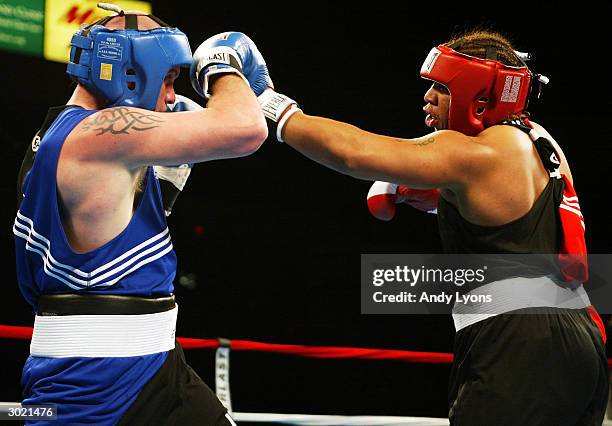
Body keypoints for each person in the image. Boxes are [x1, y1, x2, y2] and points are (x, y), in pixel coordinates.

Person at [204, 29, 609, 424]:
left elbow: (352, 153)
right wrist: (439, 200)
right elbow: (518, 221)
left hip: (521, 342)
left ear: (478, 96)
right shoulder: (540, 143)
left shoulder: (474, 151)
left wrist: (272, 105)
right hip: (580, 339)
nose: (428, 97)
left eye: (442, 88)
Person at [13, 4, 268, 425]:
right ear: (130, 72)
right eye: (168, 79)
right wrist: (223, 65)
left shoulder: (60, 133)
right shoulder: (97, 135)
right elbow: (246, 129)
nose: (170, 95)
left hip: (159, 364)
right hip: (93, 384)